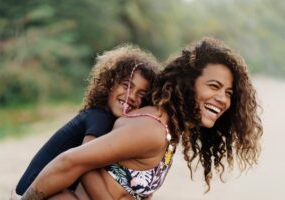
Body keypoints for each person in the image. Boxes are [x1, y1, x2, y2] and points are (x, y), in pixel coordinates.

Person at [19, 37, 263, 200]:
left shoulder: (169, 130)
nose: (222, 98)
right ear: (188, 84)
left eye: (228, 93)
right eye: (214, 86)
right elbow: (69, 162)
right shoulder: (151, 129)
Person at [13, 44, 161, 199]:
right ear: (110, 83)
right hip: (35, 188)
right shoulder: (100, 117)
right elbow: (87, 167)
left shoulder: (117, 125)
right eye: (126, 86)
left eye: (141, 94)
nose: (131, 96)